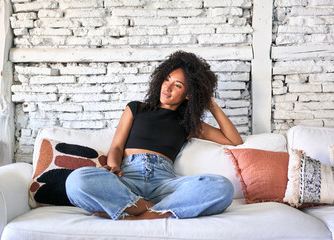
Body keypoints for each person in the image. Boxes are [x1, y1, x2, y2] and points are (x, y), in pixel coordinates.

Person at [65, 51, 243, 220]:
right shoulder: (136, 109)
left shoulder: (189, 124)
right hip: (127, 180)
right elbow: (117, 147)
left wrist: (209, 103)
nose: (168, 87)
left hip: (163, 184)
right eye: (167, 79)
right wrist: (113, 167)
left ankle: (137, 212)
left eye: (178, 85)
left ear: (189, 94)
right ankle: (155, 211)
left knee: (222, 187)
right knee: (76, 181)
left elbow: (234, 140)